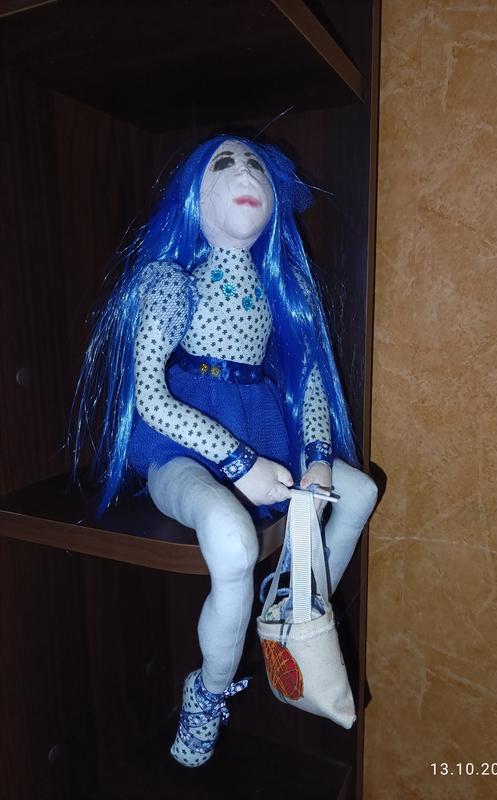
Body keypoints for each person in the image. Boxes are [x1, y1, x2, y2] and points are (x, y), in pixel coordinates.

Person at [73, 135, 378, 766]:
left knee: (359, 491)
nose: (245, 174)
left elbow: (309, 378)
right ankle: (208, 694)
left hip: (262, 428)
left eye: (255, 164)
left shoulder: (281, 289)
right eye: (224, 163)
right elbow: (150, 397)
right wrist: (238, 464)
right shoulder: (169, 282)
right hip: (180, 440)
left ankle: (297, 605)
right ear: (195, 193)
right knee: (233, 544)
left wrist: (318, 455)